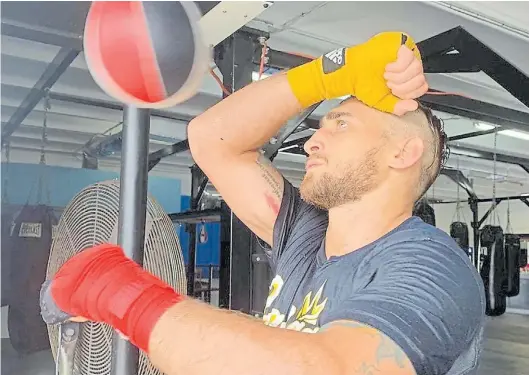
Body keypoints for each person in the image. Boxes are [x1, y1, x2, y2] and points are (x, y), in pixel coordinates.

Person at [40, 32, 485, 375]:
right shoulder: (304, 235)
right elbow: (212, 140)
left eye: (341, 124)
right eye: (321, 126)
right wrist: (335, 71)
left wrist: (122, 295)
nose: (312, 142)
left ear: (403, 153)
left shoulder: (430, 267)